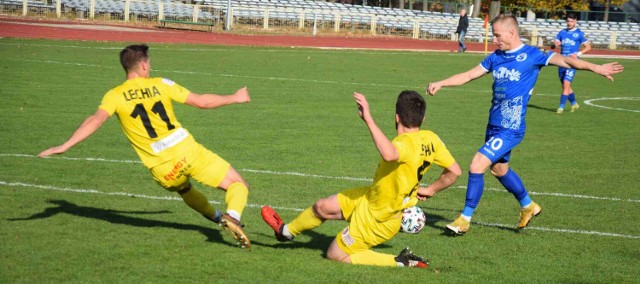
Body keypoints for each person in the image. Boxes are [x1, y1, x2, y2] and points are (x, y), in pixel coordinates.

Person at [38, 44, 253, 249]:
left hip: (163, 170)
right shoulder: (161, 84)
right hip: (187, 152)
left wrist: (65, 145)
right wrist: (235, 97)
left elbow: (95, 120)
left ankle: (217, 218)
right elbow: (201, 102)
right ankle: (232, 217)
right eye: (149, 63)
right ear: (142, 65)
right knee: (238, 185)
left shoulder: (114, 95)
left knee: (184, 188)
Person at [427, 14, 623, 235]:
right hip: (494, 124)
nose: (495, 39)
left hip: (511, 126)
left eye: (497, 35)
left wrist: (596, 68)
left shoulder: (532, 55)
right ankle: (529, 206)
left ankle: (464, 219)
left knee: (476, 164)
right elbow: (469, 75)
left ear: (511, 33)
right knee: (499, 169)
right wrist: (442, 82)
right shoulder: (495, 57)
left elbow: (567, 60)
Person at [262, 90, 462, 268]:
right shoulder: (431, 139)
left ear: (397, 117)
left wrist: (368, 118)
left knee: (334, 254)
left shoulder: (404, 143)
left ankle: (400, 260)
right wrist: (431, 190)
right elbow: (454, 171)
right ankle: (285, 232)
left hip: (380, 218)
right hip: (370, 198)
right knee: (323, 207)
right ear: (423, 118)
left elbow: (390, 154)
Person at [552, 13, 591, 114]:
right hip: (561, 62)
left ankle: (561, 108)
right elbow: (554, 44)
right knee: (566, 86)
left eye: (572, 21)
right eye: (568, 21)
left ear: (576, 21)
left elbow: (588, 47)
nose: (569, 23)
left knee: (566, 84)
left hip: (572, 63)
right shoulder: (562, 32)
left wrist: (578, 54)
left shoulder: (579, 34)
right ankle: (574, 104)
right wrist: (555, 44)